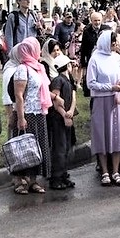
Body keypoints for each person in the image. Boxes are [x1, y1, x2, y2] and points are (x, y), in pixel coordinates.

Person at [10, 37, 53, 194]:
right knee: (24, 148)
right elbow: (19, 95)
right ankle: (21, 181)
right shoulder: (22, 69)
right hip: (27, 113)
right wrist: (21, 118)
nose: (39, 51)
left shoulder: (38, 67)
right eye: (36, 48)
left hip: (39, 112)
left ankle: (34, 180)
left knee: (37, 147)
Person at [87, 29, 120, 186]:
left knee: (116, 135)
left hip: (116, 101)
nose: (114, 46)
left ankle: (116, 170)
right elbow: (91, 83)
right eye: (112, 43)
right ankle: (105, 170)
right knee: (102, 135)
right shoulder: (95, 59)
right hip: (101, 100)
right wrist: (110, 87)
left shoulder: (117, 58)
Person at [47, 53, 77, 189]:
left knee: (66, 147)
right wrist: (65, 115)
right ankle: (56, 178)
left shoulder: (68, 80)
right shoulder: (58, 81)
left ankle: (64, 175)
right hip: (59, 119)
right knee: (60, 148)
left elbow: (73, 98)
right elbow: (56, 101)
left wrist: (71, 112)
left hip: (67, 117)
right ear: (67, 66)